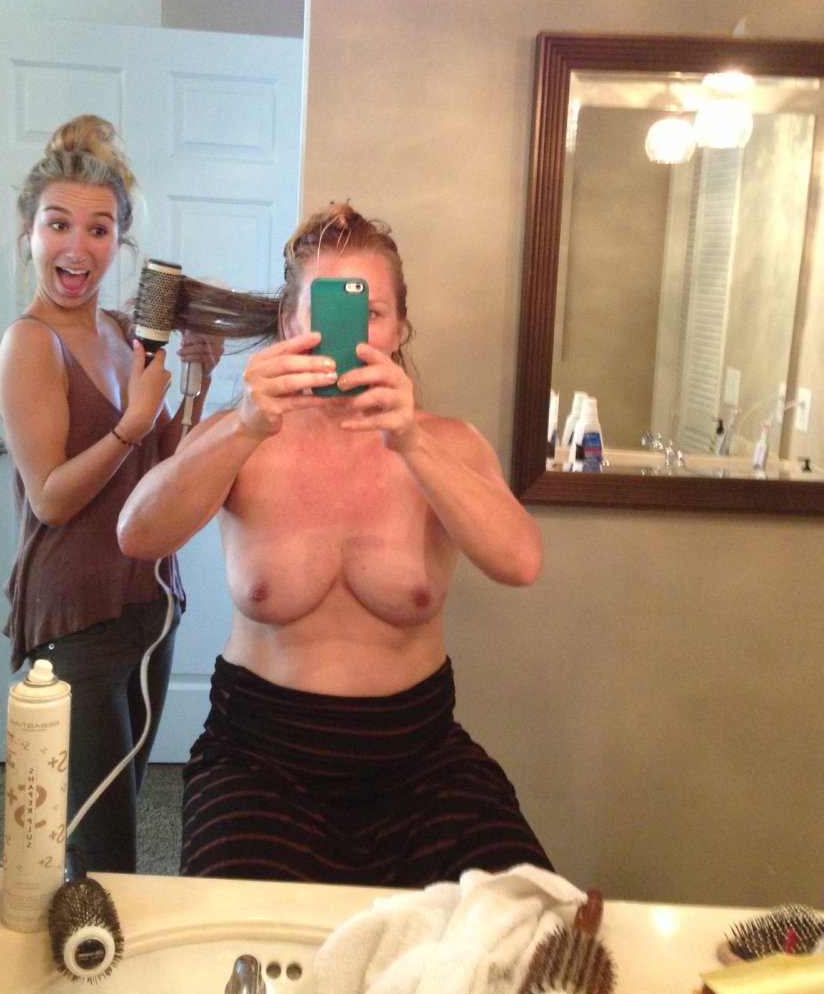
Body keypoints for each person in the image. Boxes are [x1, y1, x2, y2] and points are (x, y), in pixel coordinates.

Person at [117, 202, 552, 887]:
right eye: (324, 309)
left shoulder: (448, 443)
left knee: (526, 930)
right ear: (290, 323)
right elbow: (137, 535)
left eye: (371, 311)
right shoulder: (239, 436)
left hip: (423, 766)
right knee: (240, 942)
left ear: (398, 327)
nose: (349, 330)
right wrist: (246, 427)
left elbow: (521, 562)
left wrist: (410, 441)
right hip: (258, 761)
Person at [0, 115, 220, 873]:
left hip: (150, 608)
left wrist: (197, 381)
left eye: (98, 229)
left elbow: (166, 470)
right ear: (29, 232)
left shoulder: (126, 334)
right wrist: (130, 423)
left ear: (118, 242)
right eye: (58, 224)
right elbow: (51, 499)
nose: (77, 246)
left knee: (121, 804)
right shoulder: (31, 344)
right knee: (100, 842)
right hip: (78, 618)